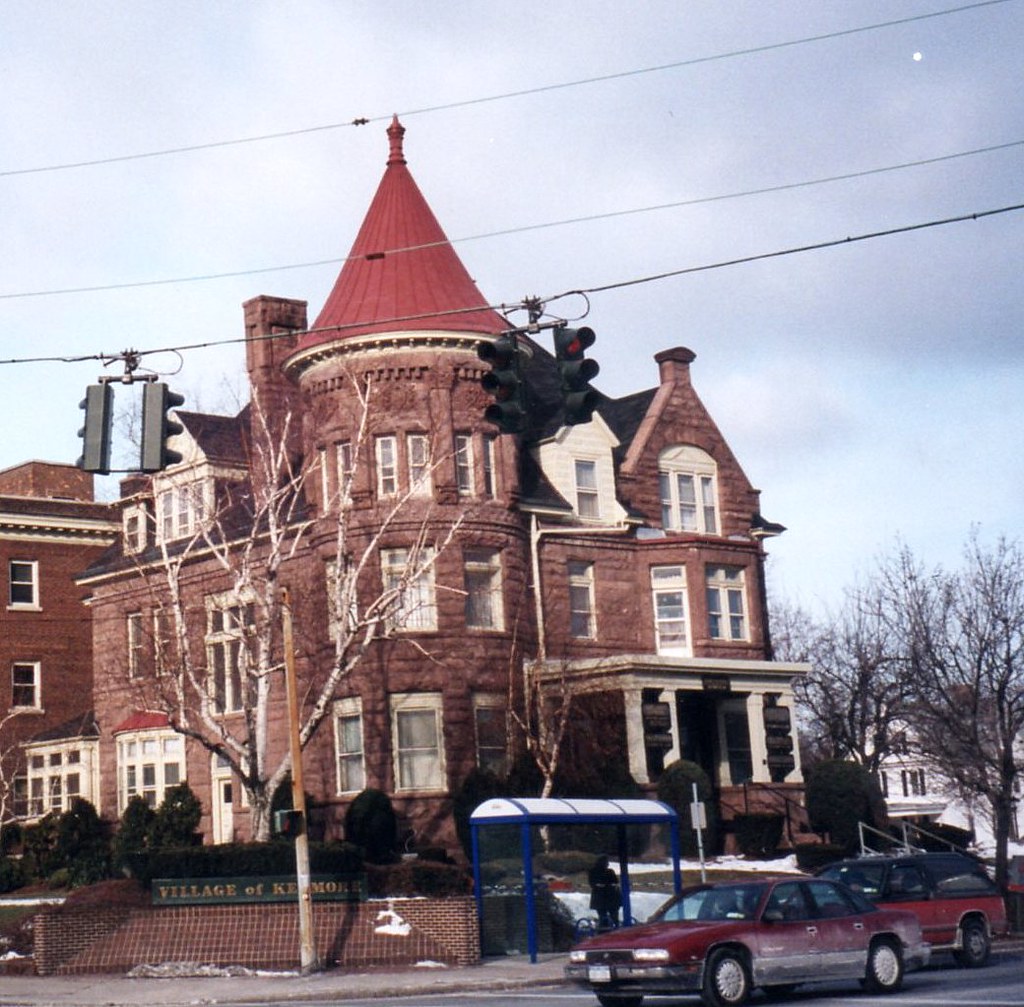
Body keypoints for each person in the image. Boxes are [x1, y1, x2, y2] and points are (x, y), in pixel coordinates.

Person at [588, 855, 621, 930]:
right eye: (606, 862)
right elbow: (614, 882)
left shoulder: (607, 871)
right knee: (609, 916)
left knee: (607, 916)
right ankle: (609, 929)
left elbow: (615, 882)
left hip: (603, 898)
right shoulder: (598, 872)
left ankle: (606, 929)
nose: (608, 864)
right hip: (607, 898)